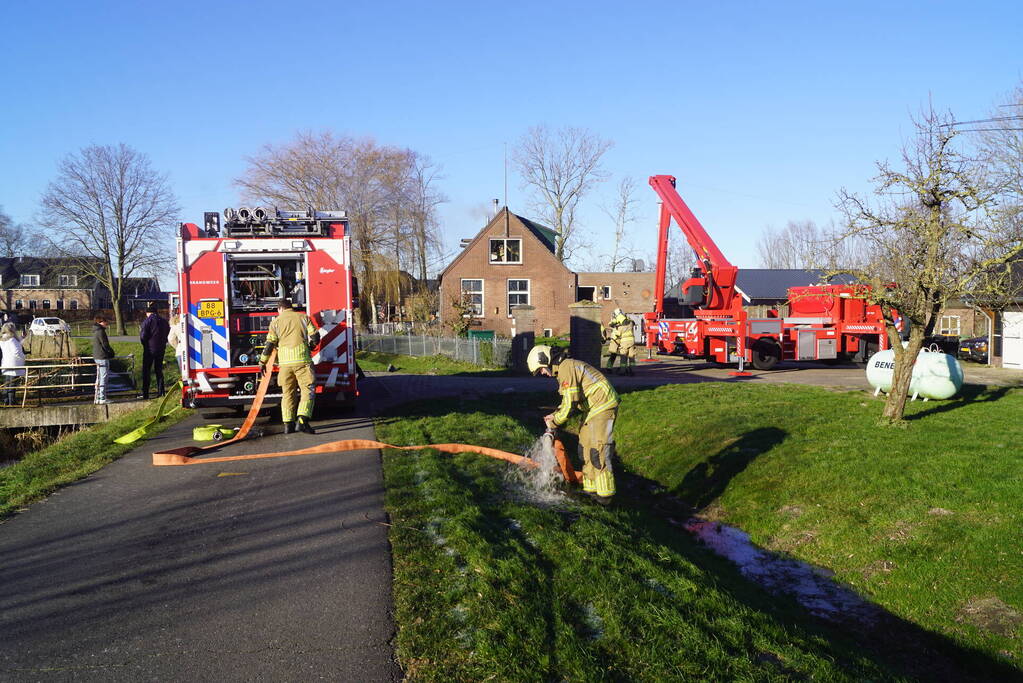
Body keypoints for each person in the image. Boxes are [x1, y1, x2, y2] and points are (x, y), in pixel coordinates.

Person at [527, 344, 619, 505]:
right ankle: (590, 491)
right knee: (584, 448)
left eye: (540, 369)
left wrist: (554, 422)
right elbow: (567, 401)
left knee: (598, 450)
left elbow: (570, 404)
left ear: (545, 360)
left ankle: (605, 498)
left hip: (603, 406)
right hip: (592, 409)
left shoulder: (566, 368)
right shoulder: (563, 369)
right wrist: (555, 415)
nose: (542, 373)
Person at [258, 299, 320, 434]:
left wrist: (262, 362)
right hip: (302, 361)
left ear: (280, 309)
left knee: (287, 394)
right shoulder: (303, 318)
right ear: (290, 307)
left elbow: (269, 345)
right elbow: (315, 336)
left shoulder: (275, 322)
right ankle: (303, 419)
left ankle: (288, 425)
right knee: (307, 390)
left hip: (285, 365)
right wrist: (311, 347)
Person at [139, 301, 170, 399]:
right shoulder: (164, 321)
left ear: (148, 313)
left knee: (146, 371)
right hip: (161, 348)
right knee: (158, 370)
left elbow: (143, 336)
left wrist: (145, 345)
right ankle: (161, 392)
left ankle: (146, 394)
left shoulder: (147, 321)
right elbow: (167, 333)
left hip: (149, 349)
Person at [1, 322, 26, 405]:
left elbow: (16, 344)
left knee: (7, 383)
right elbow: (16, 351)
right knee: (13, 384)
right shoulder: (12, 339)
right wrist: (23, 357)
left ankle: (6, 401)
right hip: (14, 364)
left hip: (6, 364)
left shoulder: (3, 340)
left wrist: (22, 337)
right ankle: (12, 401)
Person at [605, 308, 636, 375]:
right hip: (616, 341)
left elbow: (618, 332)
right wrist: (614, 324)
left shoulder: (622, 324)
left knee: (623, 356)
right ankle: (609, 368)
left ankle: (622, 370)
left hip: (622, 340)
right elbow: (610, 324)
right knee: (613, 355)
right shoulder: (617, 321)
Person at [92, 315, 115, 405]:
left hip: (97, 356)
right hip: (102, 356)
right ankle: (102, 397)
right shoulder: (101, 331)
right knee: (104, 377)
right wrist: (111, 352)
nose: (106, 323)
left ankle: (97, 396)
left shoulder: (95, 331)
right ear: (100, 322)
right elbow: (105, 344)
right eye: (105, 321)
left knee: (99, 377)